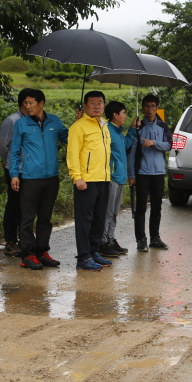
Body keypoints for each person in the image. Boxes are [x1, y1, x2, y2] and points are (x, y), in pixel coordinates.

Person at [10, 89, 69, 270]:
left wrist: (78, 122)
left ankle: (42, 252)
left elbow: (69, 138)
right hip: (30, 178)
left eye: (31, 103)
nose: (27, 106)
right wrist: (14, 174)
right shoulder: (21, 124)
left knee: (45, 218)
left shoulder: (55, 121)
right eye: (26, 103)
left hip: (51, 178)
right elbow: (14, 151)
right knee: (28, 218)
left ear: (41, 103)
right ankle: (27, 254)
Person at [67, 90, 114, 271]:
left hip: (103, 179)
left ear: (104, 105)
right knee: (84, 220)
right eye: (92, 102)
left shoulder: (104, 125)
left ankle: (93, 251)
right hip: (86, 181)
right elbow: (72, 154)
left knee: (98, 219)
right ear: (85, 106)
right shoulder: (78, 127)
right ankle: (83, 257)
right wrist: (77, 177)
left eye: (100, 102)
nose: (96, 106)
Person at [132, 93, 171, 252]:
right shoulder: (137, 126)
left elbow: (169, 145)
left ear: (157, 108)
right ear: (143, 108)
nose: (150, 109)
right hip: (142, 172)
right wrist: (131, 174)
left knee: (157, 206)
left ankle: (155, 237)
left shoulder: (163, 126)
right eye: (147, 106)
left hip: (159, 172)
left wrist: (154, 142)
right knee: (141, 207)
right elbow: (132, 151)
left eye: (153, 106)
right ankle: (141, 239)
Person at [0, 89, 34, 256]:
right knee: (14, 205)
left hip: (30, 171)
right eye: (30, 102)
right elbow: (3, 146)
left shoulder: (33, 121)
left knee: (27, 207)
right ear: (23, 103)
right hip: (15, 171)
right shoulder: (11, 121)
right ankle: (10, 240)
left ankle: (24, 238)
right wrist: (10, 164)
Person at [101, 100, 137, 257]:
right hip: (111, 177)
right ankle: (103, 242)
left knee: (114, 212)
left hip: (120, 177)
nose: (125, 116)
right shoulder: (107, 130)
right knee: (108, 212)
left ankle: (111, 238)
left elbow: (125, 146)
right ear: (115, 115)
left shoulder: (118, 131)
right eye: (123, 113)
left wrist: (132, 130)